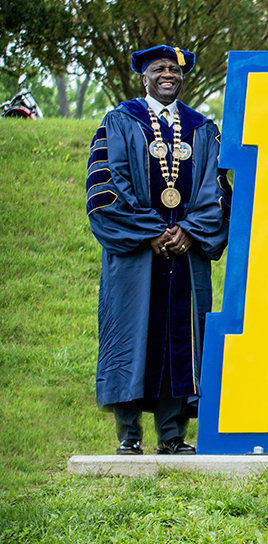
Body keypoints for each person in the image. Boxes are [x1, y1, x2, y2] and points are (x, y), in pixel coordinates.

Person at [85, 45, 229, 455]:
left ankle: (172, 436)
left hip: (185, 254)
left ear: (183, 78)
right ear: (144, 77)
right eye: (159, 69)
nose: (168, 74)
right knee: (131, 335)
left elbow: (213, 192)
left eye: (174, 70)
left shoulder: (202, 129)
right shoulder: (120, 121)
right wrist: (150, 232)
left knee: (180, 341)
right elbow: (107, 187)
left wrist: (188, 230)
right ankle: (129, 437)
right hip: (136, 257)